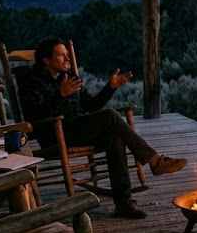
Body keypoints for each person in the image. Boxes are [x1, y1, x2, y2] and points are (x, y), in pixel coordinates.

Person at [20, 37, 187, 219]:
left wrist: (110, 87)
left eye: (68, 55)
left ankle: (124, 203)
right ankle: (155, 161)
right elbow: (34, 116)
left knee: (114, 137)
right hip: (54, 134)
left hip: (78, 128)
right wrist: (60, 94)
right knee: (110, 116)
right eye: (61, 55)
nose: (67, 59)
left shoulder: (70, 78)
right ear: (46, 59)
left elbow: (91, 105)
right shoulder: (31, 81)